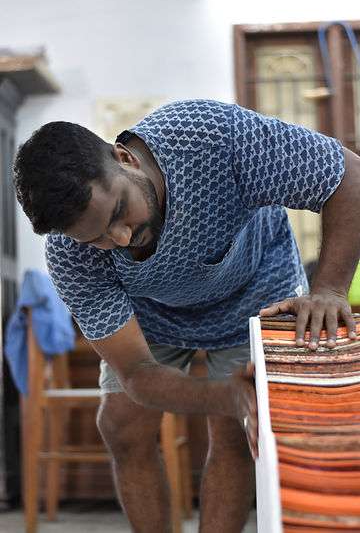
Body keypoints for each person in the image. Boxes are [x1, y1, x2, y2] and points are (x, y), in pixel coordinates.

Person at [13, 100, 360, 532]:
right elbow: (138, 374)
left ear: (124, 158)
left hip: (254, 286)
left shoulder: (211, 136)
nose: (120, 238)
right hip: (155, 312)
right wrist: (226, 395)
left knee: (235, 434)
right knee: (122, 425)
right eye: (98, 237)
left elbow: (348, 176)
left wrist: (328, 287)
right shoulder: (71, 253)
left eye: (119, 213)